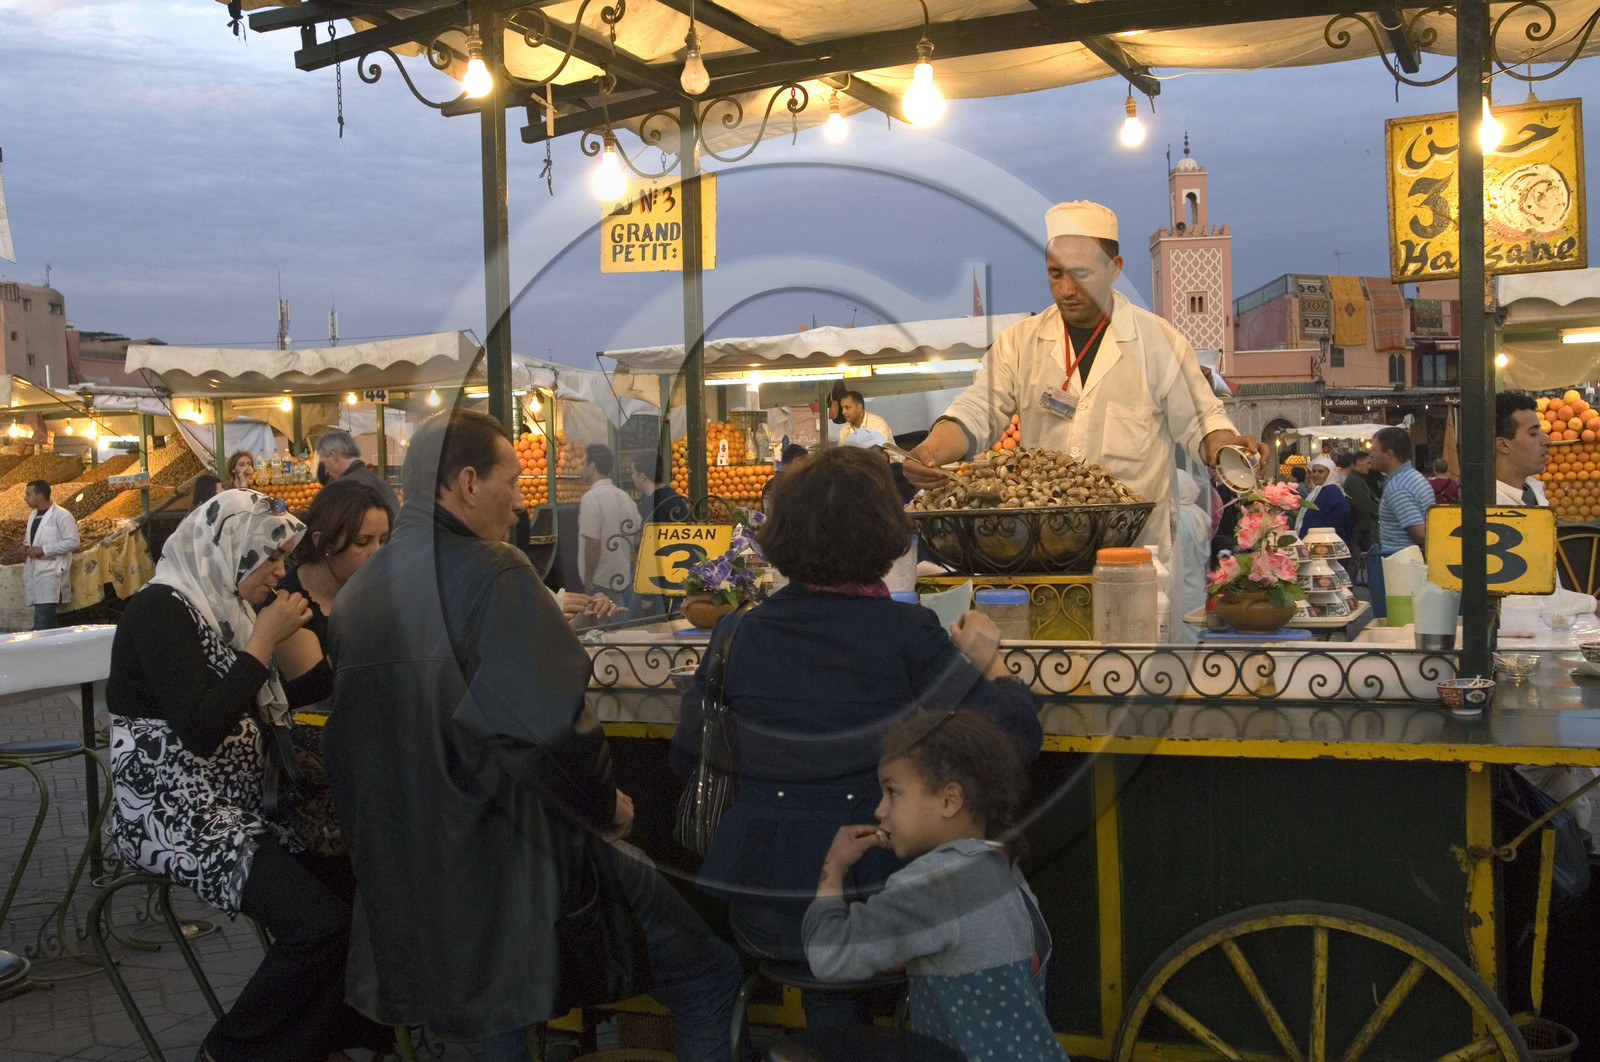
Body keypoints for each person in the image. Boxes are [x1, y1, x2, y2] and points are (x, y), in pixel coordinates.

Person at [323, 410, 740, 1061]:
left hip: (406, 880)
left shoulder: (357, 593)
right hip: (507, 875)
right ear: (465, 482)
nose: (522, 503)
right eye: (512, 482)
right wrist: (606, 807)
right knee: (709, 973)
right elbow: (550, 732)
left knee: (498, 1030)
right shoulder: (496, 572)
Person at [672, 446, 1042, 1030]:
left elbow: (686, 751)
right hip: (877, 907)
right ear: (885, 535)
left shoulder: (736, 632)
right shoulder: (909, 633)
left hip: (760, 908)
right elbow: (1015, 737)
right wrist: (985, 663)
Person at [106, 489, 392, 1062]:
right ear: (229, 547)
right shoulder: (160, 609)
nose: (280, 574)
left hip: (242, 804)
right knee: (319, 929)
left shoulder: (225, 610)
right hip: (175, 813)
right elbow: (199, 729)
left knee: (353, 886)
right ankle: (234, 1048)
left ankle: (333, 1035)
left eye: (286, 559)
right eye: (272, 559)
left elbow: (292, 695)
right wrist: (264, 641)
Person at [902, 201, 1262, 611]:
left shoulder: (1158, 342)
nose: (1067, 290)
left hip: (1135, 559)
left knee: (1130, 665)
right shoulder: (1019, 344)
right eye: (1055, 275)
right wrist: (933, 448)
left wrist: (1226, 447)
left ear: (1115, 267)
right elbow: (977, 409)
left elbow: (1201, 419)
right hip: (1045, 554)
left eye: (1081, 275)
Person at [803, 710, 1066, 1061]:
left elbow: (829, 957)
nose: (880, 810)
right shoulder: (1001, 867)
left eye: (892, 792)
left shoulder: (931, 883)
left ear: (949, 800)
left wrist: (833, 868)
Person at [278, 478, 392, 649]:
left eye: (383, 540)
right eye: (362, 542)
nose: (377, 552)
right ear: (324, 542)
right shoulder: (289, 606)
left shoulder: (378, 590)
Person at [578, 443, 640, 604]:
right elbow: (638, 538)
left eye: (584, 463)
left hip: (600, 582)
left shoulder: (591, 499)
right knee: (620, 625)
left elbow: (592, 542)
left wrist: (588, 578)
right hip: (623, 578)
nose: (581, 467)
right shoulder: (625, 497)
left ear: (592, 466)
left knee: (601, 627)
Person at [22, 480, 80, 630]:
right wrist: (26, 548)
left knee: (43, 623)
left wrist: (43, 549)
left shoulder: (62, 515)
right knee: (47, 624)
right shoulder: (33, 515)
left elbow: (73, 542)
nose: (25, 498)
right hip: (35, 572)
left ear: (40, 495)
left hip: (51, 573)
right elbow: (32, 540)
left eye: (28, 494)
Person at [1372, 426, 1433, 556]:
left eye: (1374, 450)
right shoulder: (1415, 477)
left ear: (1388, 454)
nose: (1370, 455)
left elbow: (1421, 535)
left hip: (1402, 565)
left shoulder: (1398, 487)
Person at [315, 429, 400, 519]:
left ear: (333, 457)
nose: (326, 472)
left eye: (324, 464)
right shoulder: (382, 484)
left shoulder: (342, 489)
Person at [1495, 393, 1551, 506]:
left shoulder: (1533, 489)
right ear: (1503, 445)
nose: (1547, 441)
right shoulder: (1492, 506)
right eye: (1533, 433)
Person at [1296, 456, 1353, 544]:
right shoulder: (1318, 491)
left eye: (1321, 471)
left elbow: (1342, 511)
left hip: (1324, 545)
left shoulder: (1332, 491)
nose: (1315, 474)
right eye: (1314, 471)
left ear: (1330, 473)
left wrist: (1324, 532)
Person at [632, 449, 689, 524]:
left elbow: (648, 534)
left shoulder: (652, 504)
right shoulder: (675, 497)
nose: (632, 476)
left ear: (641, 476)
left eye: (633, 472)